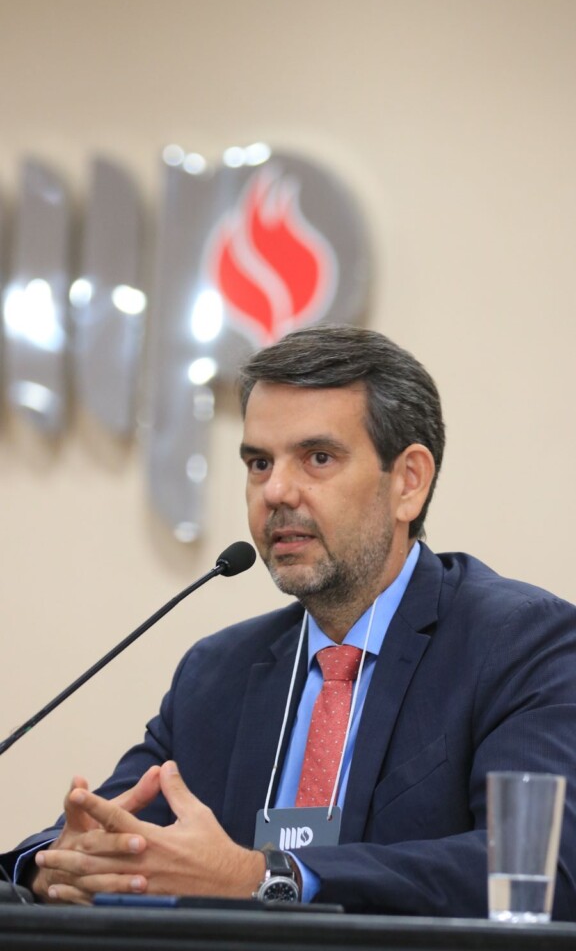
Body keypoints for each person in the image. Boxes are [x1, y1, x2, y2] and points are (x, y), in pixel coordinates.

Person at [2, 324, 576, 918]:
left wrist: (269, 877)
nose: (275, 491)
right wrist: (58, 865)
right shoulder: (217, 673)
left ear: (409, 481)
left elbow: (544, 870)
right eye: (258, 463)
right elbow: (109, 829)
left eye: (317, 458)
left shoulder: (519, 643)